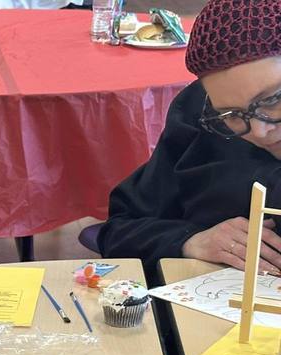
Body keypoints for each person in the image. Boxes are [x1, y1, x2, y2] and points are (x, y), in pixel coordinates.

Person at [98, 0, 281, 276]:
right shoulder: (200, 116)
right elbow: (121, 229)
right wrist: (190, 239)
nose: (258, 131)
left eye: (273, 100)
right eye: (231, 114)